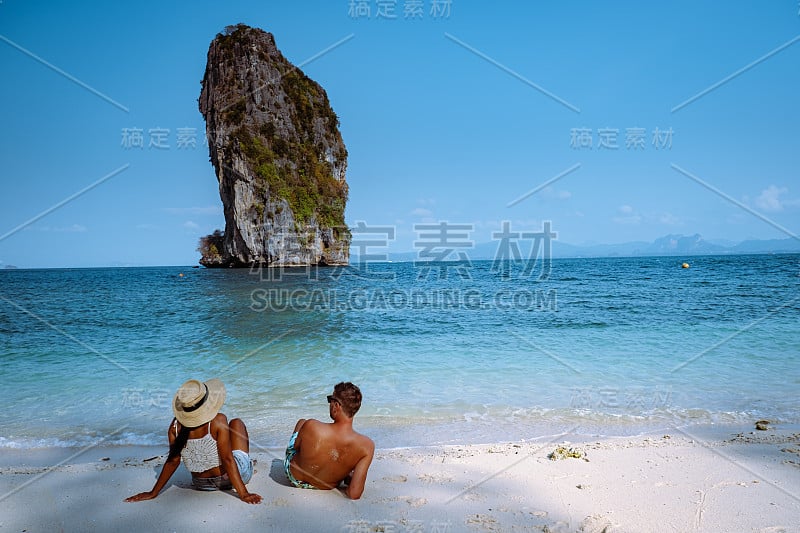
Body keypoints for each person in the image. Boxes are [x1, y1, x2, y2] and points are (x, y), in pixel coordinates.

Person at [126, 378, 262, 504]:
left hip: (201, 484)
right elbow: (227, 459)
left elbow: (173, 461)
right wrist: (244, 494)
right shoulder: (218, 421)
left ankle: (244, 464)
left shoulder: (174, 427)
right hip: (228, 480)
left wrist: (153, 492)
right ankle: (248, 465)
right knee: (236, 423)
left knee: (222, 443)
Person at [285, 382, 374, 499]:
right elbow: (354, 494)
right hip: (326, 485)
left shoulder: (312, 425)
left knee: (301, 422)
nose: (329, 404)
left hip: (295, 479)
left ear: (336, 405)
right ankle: (340, 471)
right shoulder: (366, 446)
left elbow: (296, 448)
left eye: (330, 400)